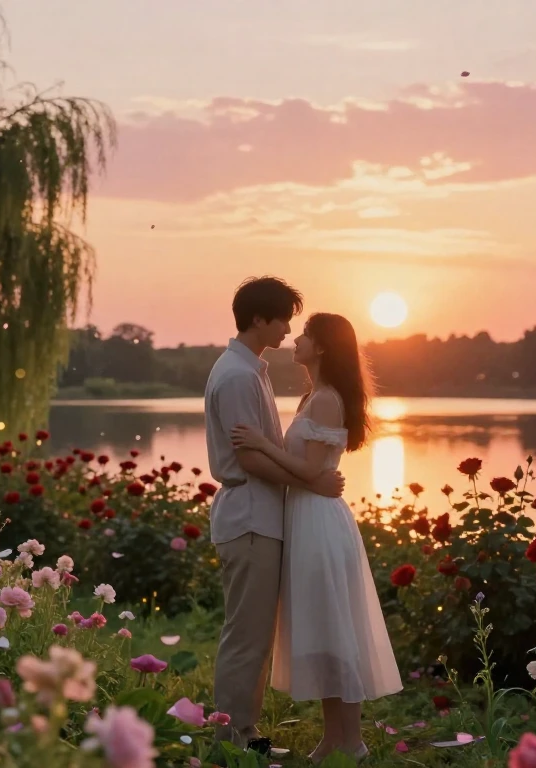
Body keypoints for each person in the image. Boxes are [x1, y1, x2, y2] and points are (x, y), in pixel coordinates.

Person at [231, 312, 403, 763]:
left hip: (320, 522)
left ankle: (352, 741)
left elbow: (310, 470)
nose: (296, 339)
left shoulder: (326, 399)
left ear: (322, 347)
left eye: (305, 334)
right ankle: (334, 739)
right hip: (305, 517)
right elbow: (309, 469)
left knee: (335, 630)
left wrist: (260, 443)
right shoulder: (313, 396)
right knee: (324, 628)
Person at [204, 277, 346, 753]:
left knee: (255, 635)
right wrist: (312, 482)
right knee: (246, 636)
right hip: (249, 517)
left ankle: (244, 734)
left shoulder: (252, 370)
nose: (288, 329)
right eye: (283, 319)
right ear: (259, 319)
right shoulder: (238, 376)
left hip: (259, 516)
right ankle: (231, 741)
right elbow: (249, 458)